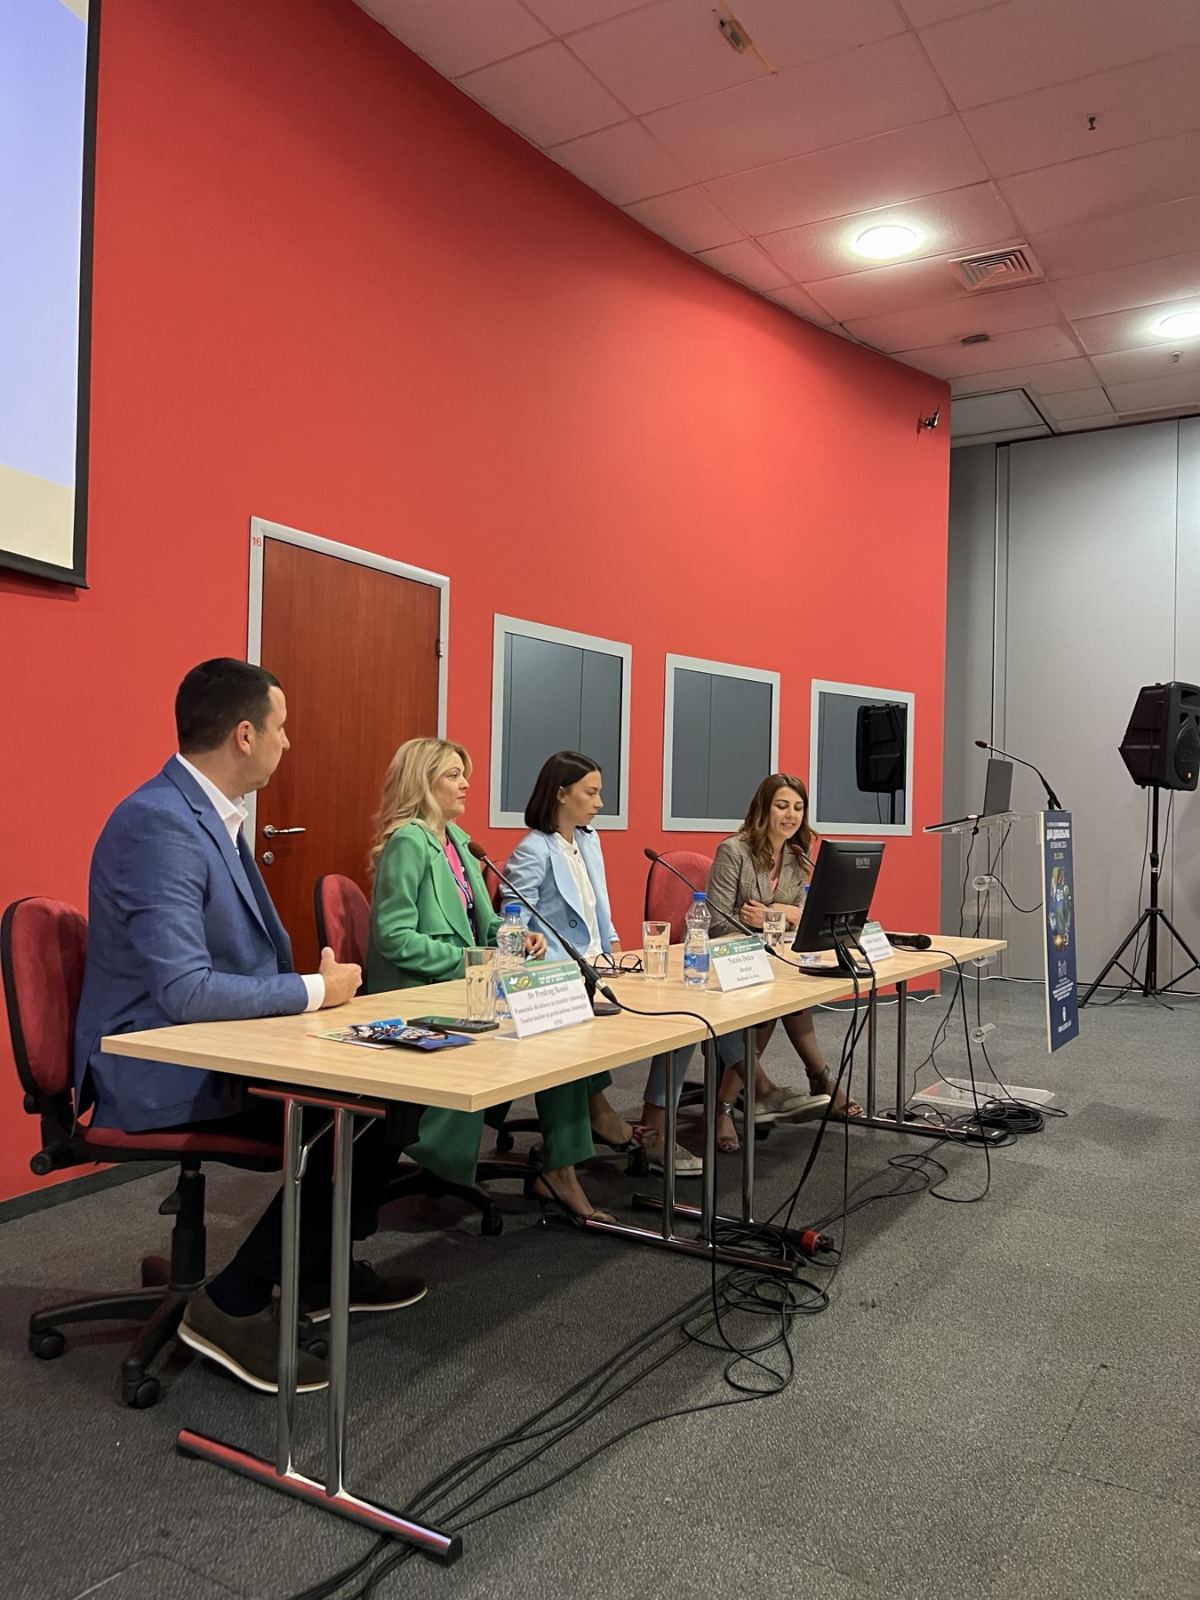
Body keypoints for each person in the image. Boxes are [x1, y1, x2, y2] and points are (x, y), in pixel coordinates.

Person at [73, 659, 424, 1397]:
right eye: (280, 727)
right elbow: (183, 991)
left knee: (393, 1092)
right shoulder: (160, 824)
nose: (287, 742)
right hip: (160, 1067)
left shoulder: (211, 815)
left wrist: (309, 996)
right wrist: (313, 990)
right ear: (243, 734)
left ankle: (315, 1271)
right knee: (359, 1112)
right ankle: (230, 1305)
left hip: (216, 1049)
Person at [365, 738, 615, 1222]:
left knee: (559, 1014)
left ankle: (562, 1165)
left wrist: (517, 937)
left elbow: (485, 924)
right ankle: (556, 1161)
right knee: (548, 1028)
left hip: (465, 988)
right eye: (453, 775)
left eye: (465, 774)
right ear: (423, 782)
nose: (465, 784)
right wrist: (474, 961)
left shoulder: (458, 841)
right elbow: (393, 938)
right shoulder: (409, 842)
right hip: (419, 998)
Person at [504, 750, 699, 1175]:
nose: (599, 802)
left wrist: (613, 949)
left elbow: (598, 906)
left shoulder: (589, 840)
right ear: (561, 794)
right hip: (559, 974)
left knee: (684, 1015)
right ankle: (599, 1118)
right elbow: (512, 921)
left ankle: (640, 1118)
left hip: (599, 966)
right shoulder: (533, 850)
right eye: (590, 793)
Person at [707, 773, 863, 1152]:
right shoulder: (734, 851)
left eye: (798, 807)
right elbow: (716, 921)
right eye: (781, 806)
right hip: (728, 961)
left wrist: (776, 914)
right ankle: (732, 1104)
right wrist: (778, 918)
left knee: (791, 992)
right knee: (776, 999)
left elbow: (806, 913)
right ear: (764, 809)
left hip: (774, 957)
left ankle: (755, 1096)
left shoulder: (797, 856)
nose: (791, 815)